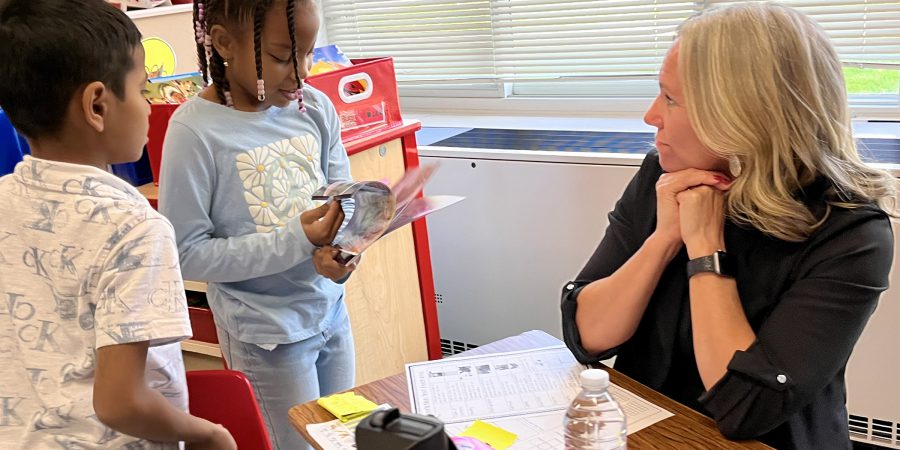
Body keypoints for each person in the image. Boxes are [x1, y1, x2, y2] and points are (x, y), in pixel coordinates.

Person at [561, 3, 896, 449]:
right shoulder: (662, 177)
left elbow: (745, 408)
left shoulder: (851, 232)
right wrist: (664, 238)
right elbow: (588, 336)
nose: (651, 116)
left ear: (743, 115)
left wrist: (704, 248)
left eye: (672, 99)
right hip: (654, 427)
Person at [0, 1, 236, 449]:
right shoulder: (133, 228)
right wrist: (211, 435)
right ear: (97, 104)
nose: (149, 108)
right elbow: (120, 404)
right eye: (143, 89)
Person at [158, 0, 357, 448]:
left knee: (342, 438)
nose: (301, 72)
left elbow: (342, 198)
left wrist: (342, 250)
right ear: (225, 42)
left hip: (331, 314)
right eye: (284, 56)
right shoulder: (194, 131)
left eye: (308, 53)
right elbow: (187, 252)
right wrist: (297, 239)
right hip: (267, 338)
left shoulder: (315, 108)